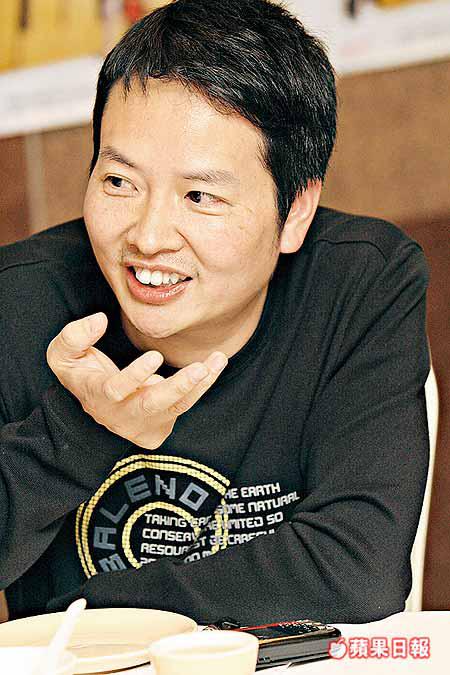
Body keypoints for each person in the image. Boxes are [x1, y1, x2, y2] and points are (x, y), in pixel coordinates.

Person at [0, 0, 429, 624]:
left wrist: (85, 615)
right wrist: (77, 432)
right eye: (119, 182)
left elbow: (360, 571)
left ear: (295, 211)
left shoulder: (359, 282)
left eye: (199, 195)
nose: (148, 237)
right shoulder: (20, 301)